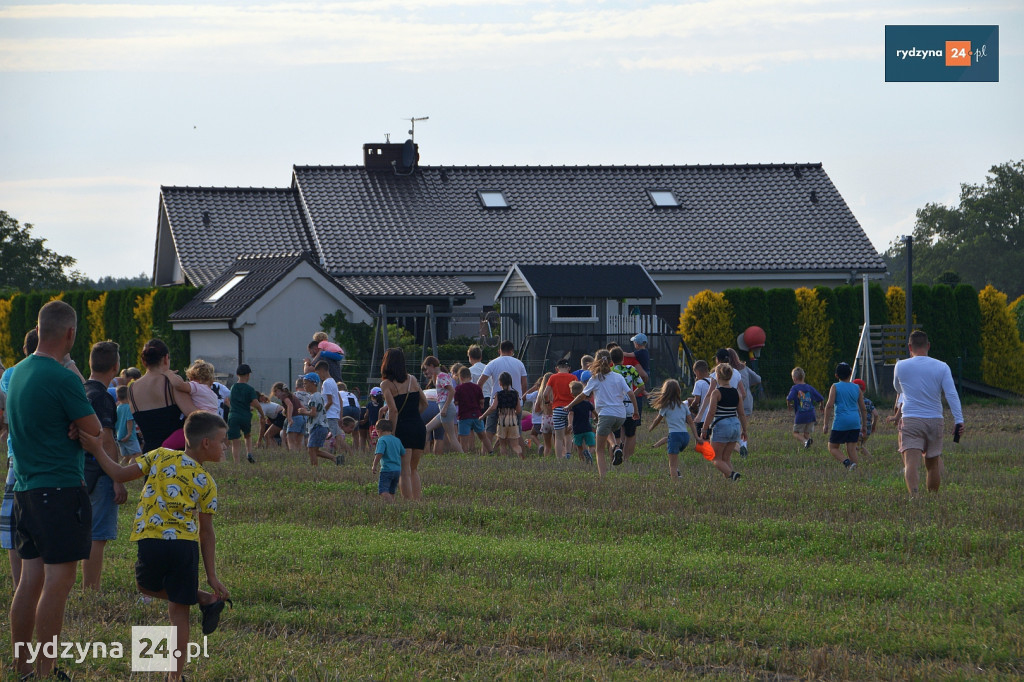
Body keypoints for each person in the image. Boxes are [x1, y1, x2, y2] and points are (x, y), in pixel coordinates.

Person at [81, 410, 231, 682]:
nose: (225, 447)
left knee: (145, 587)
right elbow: (207, 533)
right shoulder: (207, 482)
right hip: (184, 547)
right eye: (223, 441)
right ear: (206, 443)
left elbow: (119, 472)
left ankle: (197, 597)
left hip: (151, 540)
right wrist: (211, 575)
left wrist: (96, 449)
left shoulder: (161, 455)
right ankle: (174, 676)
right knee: (179, 611)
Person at [8, 301, 100, 678]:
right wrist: (80, 426)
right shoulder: (62, 377)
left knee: (30, 581)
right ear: (70, 334)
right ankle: (47, 670)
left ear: (38, 327)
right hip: (59, 489)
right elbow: (94, 429)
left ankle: (22, 665)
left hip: (25, 488)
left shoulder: (17, 373)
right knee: (59, 583)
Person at [81, 340, 129, 591]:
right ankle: (91, 589)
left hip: (82, 472)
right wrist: (117, 478)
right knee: (97, 535)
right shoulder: (103, 397)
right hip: (100, 473)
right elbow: (107, 440)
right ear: (115, 366)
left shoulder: (82, 390)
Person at [893, 330, 964, 497]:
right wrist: (959, 419)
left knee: (911, 463)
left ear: (909, 347)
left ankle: (915, 496)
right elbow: (952, 394)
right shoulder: (942, 366)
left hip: (911, 419)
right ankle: (932, 498)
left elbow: (898, 389)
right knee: (932, 464)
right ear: (928, 346)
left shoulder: (901, 365)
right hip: (935, 420)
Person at [1, 328, 38, 595]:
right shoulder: (59, 372)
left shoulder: (10, 374)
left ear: (24, 348)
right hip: (48, 459)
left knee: (13, 524)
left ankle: (19, 586)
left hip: (17, 456)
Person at [565, 354, 638, 477]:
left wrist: (569, 405)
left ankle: (602, 477)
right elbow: (631, 393)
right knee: (606, 428)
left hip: (606, 414)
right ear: (610, 362)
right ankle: (615, 447)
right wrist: (636, 411)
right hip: (621, 416)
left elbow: (583, 396)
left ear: (596, 362)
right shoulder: (618, 377)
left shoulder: (595, 379)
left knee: (599, 450)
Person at [128, 339, 197, 452]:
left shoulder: (131, 389)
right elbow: (193, 414)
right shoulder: (171, 383)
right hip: (175, 455)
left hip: (149, 455)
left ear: (143, 361)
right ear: (166, 358)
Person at [379, 348, 428, 501]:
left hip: (402, 428)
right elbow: (425, 403)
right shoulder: (413, 379)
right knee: (414, 469)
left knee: (404, 470)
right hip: (419, 427)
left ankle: (408, 502)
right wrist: (413, 416)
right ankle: (417, 501)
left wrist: (392, 433)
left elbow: (393, 411)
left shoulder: (386, 384)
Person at [699, 363, 746, 482]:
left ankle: (733, 474)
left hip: (722, 426)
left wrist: (704, 429)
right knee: (726, 458)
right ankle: (732, 482)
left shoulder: (716, 393)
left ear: (717, 376)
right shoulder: (737, 393)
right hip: (735, 426)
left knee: (715, 458)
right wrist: (744, 430)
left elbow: (711, 413)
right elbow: (741, 413)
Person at [648, 378, 701, 478]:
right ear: (678, 391)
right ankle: (677, 473)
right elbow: (691, 423)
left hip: (675, 436)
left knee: (672, 465)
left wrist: (651, 428)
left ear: (665, 392)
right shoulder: (684, 406)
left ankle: (675, 484)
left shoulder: (666, 406)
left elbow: (657, 420)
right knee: (674, 458)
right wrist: (697, 437)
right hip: (685, 437)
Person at [822, 362, 866, 471]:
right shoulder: (857, 387)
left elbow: (829, 406)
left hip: (841, 422)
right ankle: (856, 470)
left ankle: (847, 462)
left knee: (832, 447)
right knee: (851, 449)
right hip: (855, 422)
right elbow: (863, 408)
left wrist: (825, 424)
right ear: (851, 374)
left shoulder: (835, 387)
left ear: (836, 375)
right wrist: (864, 425)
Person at [479, 340, 528, 436]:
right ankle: (519, 450)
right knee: (516, 430)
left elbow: (480, 383)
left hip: (496, 401)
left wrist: (480, 399)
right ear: (512, 351)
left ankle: (487, 450)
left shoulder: (492, 363)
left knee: (490, 430)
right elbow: (524, 384)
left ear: (499, 351)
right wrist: (523, 398)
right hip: (514, 400)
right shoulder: (519, 364)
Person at [296, 373, 341, 466]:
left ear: (314, 383)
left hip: (317, 426)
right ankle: (335, 459)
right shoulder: (319, 396)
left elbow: (313, 413)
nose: (304, 386)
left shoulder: (313, 397)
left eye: (306, 383)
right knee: (314, 450)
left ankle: (315, 468)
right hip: (322, 426)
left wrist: (303, 411)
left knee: (311, 449)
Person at [610, 346, 645, 463]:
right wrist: (632, 396)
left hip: (615, 406)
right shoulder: (630, 369)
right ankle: (626, 459)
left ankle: (614, 456)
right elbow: (642, 386)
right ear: (623, 359)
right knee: (630, 434)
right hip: (629, 406)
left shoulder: (610, 371)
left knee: (616, 435)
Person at [421, 356, 462, 453]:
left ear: (431, 366)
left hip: (446, 408)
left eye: (427, 369)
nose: (427, 372)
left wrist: (445, 408)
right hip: (445, 408)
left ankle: (462, 455)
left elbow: (452, 391)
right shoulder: (442, 375)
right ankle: (425, 454)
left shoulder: (441, 376)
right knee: (428, 429)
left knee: (451, 436)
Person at [479, 372, 523, 458]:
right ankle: (519, 454)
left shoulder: (498, 394)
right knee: (515, 445)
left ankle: (504, 459)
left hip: (502, 420)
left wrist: (483, 416)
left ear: (500, 383)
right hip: (513, 420)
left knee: (503, 445)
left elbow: (493, 407)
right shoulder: (515, 394)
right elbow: (518, 410)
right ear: (510, 382)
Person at [227, 364, 264, 464]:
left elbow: (230, 401)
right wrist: (262, 415)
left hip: (233, 416)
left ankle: (237, 462)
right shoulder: (249, 389)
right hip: (245, 416)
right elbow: (256, 403)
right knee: (247, 435)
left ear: (237, 374)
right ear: (248, 375)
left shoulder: (233, 387)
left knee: (235, 441)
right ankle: (249, 453)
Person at [728, 348, 761, 457]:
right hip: (746, 401)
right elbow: (758, 379)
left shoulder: (727, 371)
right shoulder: (744, 368)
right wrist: (747, 384)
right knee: (743, 427)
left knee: (733, 427)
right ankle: (744, 447)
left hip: (732, 402)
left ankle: (739, 447)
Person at [545, 359, 577, 459]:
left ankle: (559, 458)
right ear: (569, 368)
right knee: (568, 434)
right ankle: (568, 454)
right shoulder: (573, 377)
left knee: (558, 437)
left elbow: (545, 393)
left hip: (557, 408)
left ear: (556, 368)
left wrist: (547, 402)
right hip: (570, 409)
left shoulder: (553, 377)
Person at [787, 367, 824, 449]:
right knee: (806, 434)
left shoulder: (795, 388)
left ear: (794, 379)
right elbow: (821, 398)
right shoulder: (809, 387)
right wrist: (821, 406)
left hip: (801, 415)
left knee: (795, 433)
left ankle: (805, 441)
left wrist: (789, 405)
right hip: (811, 415)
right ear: (803, 377)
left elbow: (789, 398)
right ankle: (808, 444)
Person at [454, 366, 489, 453]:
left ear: (460, 378)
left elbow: (456, 402)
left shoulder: (458, 389)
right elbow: (481, 400)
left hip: (464, 416)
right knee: (483, 436)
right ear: (470, 377)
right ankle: (490, 451)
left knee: (463, 438)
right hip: (477, 415)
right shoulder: (477, 387)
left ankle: (464, 454)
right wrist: (480, 406)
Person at [371, 419, 404, 503]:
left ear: (379, 431)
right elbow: (403, 452)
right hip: (397, 470)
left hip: (387, 469)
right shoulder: (397, 440)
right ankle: (391, 507)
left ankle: (393, 504)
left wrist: (374, 465)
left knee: (383, 491)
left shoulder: (382, 440)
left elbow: (379, 453)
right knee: (391, 491)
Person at [315, 361, 342, 455]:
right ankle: (343, 453)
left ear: (322, 370)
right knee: (336, 435)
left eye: (318, 373)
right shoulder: (333, 381)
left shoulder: (326, 383)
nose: (319, 376)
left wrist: (322, 412)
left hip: (330, 414)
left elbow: (330, 401)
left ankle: (341, 453)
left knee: (336, 436)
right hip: (334, 413)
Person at [273, 382, 306, 452]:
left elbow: (290, 405)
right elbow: (301, 406)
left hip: (295, 418)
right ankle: (299, 456)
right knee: (298, 441)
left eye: (275, 393)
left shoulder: (284, 396)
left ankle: (293, 456)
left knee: (291, 440)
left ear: (279, 390)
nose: (276, 396)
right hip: (302, 418)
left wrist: (290, 418)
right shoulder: (292, 396)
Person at [567, 380, 595, 464]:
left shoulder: (573, 405)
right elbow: (595, 412)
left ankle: (582, 461)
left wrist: (570, 424)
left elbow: (570, 414)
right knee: (592, 445)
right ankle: (589, 453)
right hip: (587, 428)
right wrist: (597, 418)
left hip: (577, 429)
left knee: (579, 447)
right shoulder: (588, 403)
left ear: (571, 394)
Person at [115, 385, 142, 460]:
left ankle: (121, 470)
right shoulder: (128, 407)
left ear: (118, 398)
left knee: (126, 457)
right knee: (137, 455)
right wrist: (129, 434)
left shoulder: (118, 408)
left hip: (120, 435)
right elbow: (129, 421)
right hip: (130, 437)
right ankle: (129, 471)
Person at [852, 379, 877, 457]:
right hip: (868, 428)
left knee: (856, 446)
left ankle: (870, 458)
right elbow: (876, 414)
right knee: (859, 446)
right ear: (865, 390)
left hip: (858, 428)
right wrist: (873, 426)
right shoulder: (868, 402)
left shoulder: (853, 402)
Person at [688, 360, 712, 435]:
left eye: (695, 374)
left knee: (702, 441)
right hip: (713, 417)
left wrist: (691, 407)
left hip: (703, 417)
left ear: (697, 372)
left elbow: (697, 400)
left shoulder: (699, 383)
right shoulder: (714, 381)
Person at [359, 387, 385, 452]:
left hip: (373, 426)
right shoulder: (383, 404)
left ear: (372, 396)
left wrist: (364, 419)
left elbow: (366, 415)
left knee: (372, 440)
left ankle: (373, 452)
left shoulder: (370, 404)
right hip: (382, 425)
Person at [467, 345, 491, 412]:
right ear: (481, 357)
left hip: (478, 400)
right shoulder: (488, 368)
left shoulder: (470, 370)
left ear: (470, 357)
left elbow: (470, 388)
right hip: (490, 398)